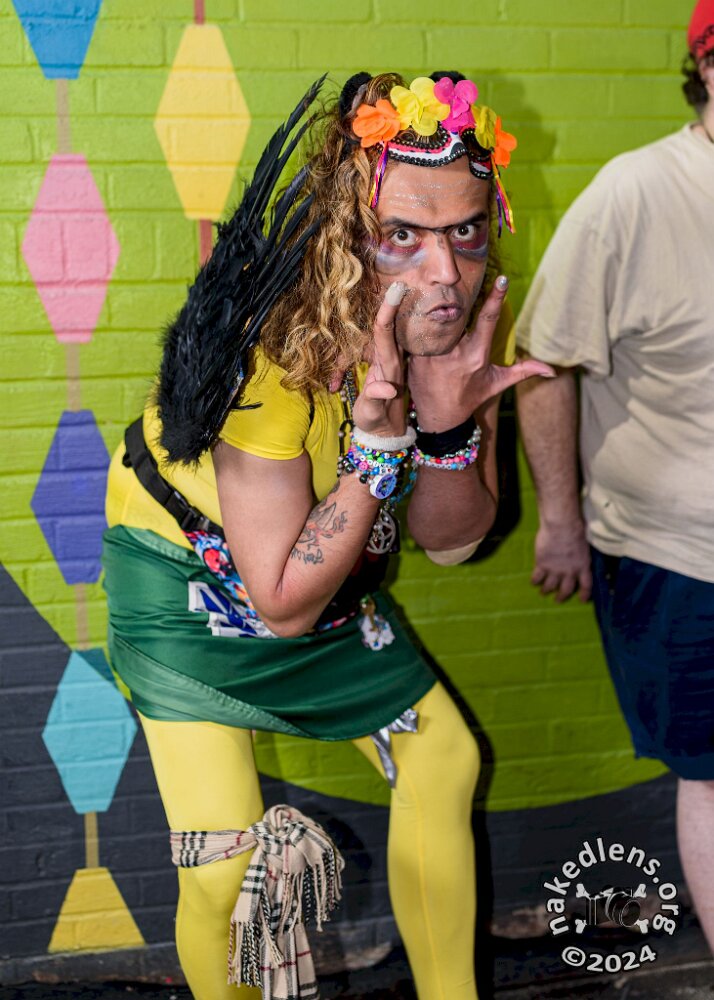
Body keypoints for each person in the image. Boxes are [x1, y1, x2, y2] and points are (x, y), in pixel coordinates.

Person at [103, 70, 551, 1000]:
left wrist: (447, 426)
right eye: (403, 236)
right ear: (348, 236)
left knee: (445, 755)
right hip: (189, 571)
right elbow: (280, 602)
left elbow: (452, 541)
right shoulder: (271, 352)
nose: (445, 274)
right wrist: (381, 449)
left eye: (466, 232)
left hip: (316, 557)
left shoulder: (457, 328)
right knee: (226, 864)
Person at [515, 0, 714, 953]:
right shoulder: (633, 194)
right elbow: (542, 365)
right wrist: (560, 521)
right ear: (707, 66)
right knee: (711, 775)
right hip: (678, 557)